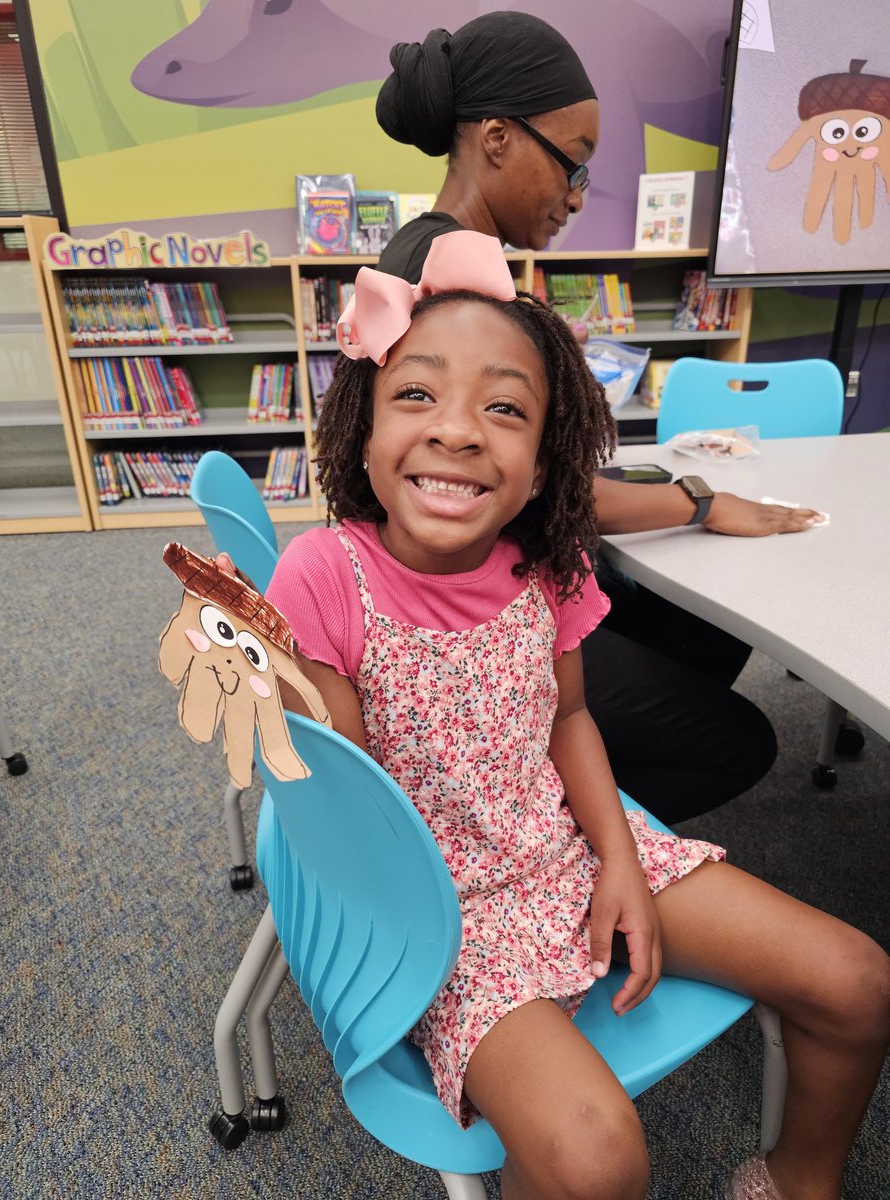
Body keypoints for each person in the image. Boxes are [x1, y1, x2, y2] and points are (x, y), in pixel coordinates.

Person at [262, 231, 888, 1200]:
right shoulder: (322, 575)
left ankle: (795, 1181)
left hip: (564, 850)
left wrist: (622, 858)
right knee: (596, 1162)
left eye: (504, 408)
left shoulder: (545, 567)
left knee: (856, 981)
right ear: (363, 429)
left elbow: (569, 722)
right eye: (416, 394)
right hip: (443, 916)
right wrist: (271, 692)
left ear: (549, 463)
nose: (458, 431)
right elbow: (347, 808)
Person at [371, 11, 836, 824]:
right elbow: (543, 493)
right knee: (738, 743)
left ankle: (552, 781)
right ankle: (523, 834)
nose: (577, 195)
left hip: (481, 592)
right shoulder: (457, 281)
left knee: (711, 625)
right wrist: (699, 501)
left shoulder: (437, 255)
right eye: (572, 163)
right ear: (497, 138)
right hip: (473, 626)